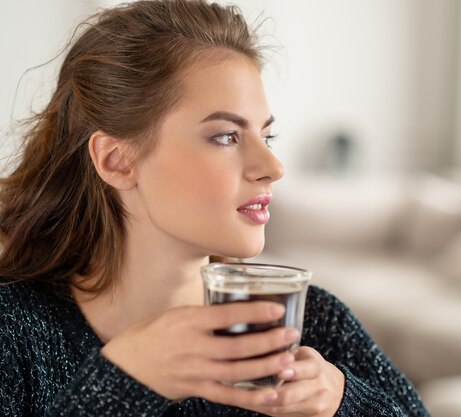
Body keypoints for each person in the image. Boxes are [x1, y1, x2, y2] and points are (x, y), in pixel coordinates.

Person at [0, 1, 431, 416]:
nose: (273, 167)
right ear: (117, 160)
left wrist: (345, 402)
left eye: (268, 137)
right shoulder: (15, 329)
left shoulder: (312, 324)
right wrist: (124, 382)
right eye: (226, 136)